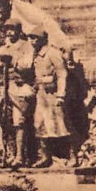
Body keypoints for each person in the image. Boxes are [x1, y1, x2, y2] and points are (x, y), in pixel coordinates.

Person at [0, 26, 36, 168]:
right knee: (4, 123)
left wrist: (13, 60)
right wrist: (0, 61)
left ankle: (20, 156)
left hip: (20, 88)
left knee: (19, 121)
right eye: (7, 30)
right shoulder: (3, 48)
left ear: (19, 31)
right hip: (5, 89)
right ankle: (7, 155)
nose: (9, 32)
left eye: (13, 29)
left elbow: (27, 66)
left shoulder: (26, 47)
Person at [28, 31, 70, 167]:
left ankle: (73, 155)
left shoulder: (52, 53)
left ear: (42, 39)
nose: (32, 41)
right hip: (41, 96)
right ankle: (45, 157)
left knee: (61, 125)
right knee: (40, 125)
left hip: (53, 95)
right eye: (30, 38)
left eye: (35, 38)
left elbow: (62, 74)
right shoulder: (37, 54)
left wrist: (61, 95)